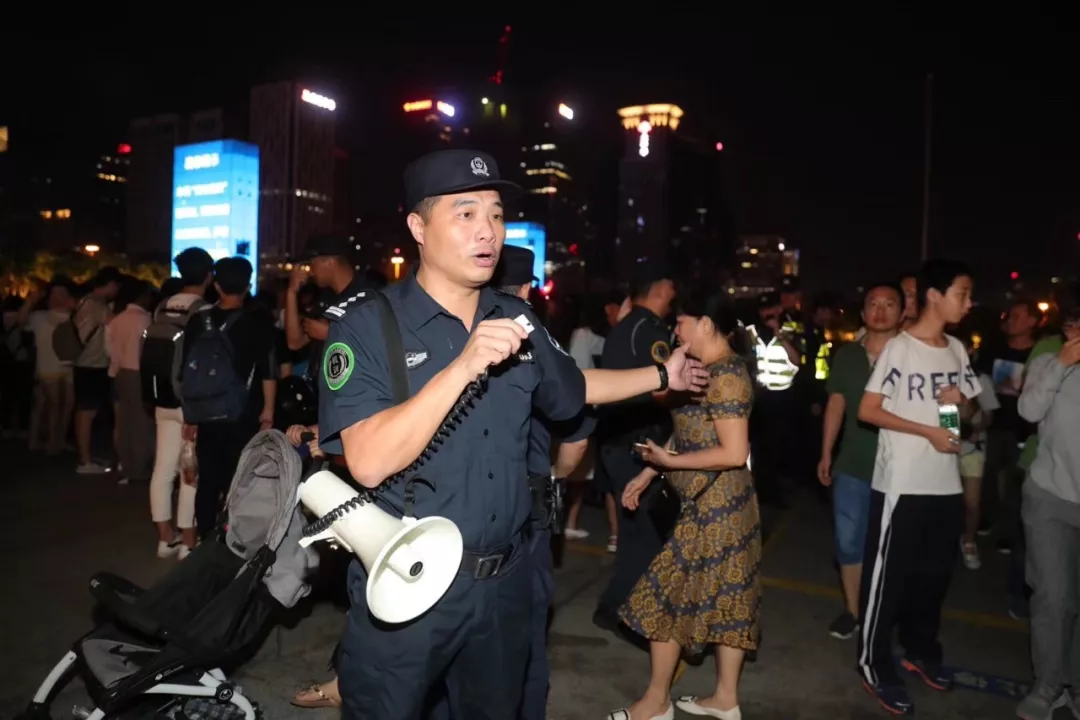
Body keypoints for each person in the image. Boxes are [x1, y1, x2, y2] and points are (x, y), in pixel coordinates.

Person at [318, 149, 586, 720]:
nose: (487, 231)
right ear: (418, 228)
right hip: (408, 586)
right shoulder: (366, 326)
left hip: (504, 585)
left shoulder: (516, 318)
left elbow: (570, 401)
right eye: (465, 214)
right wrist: (462, 367)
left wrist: (543, 335)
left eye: (496, 214)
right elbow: (367, 462)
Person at [613, 291, 759, 720]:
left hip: (716, 509)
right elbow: (696, 431)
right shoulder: (707, 370)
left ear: (706, 324)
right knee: (729, 599)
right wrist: (650, 471)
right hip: (717, 504)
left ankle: (655, 703)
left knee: (663, 599)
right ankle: (726, 699)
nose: (674, 330)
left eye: (681, 322)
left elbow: (734, 452)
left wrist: (668, 462)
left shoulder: (727, 375)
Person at [856, 259, 980, 715]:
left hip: (945, 484)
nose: (968, 303)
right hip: (902, 485)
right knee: (887, 582)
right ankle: (872, 663)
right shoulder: (900, 349)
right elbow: (868, 410)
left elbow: (967, 416)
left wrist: (960, 405)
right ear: (934, 295)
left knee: (932, 580)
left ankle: (920, 651)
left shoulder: (957, 349)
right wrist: (926, 432)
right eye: (962, 294)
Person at [593, 266, 678, 630]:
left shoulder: (625, 326)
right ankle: (627, 613)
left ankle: (617, 607)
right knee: (647, 536)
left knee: (635, 534)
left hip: (619, 442)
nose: (674, 296)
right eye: (670, 289)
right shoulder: (650, 330)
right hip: (637, 445)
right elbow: (663, 387)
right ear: (657, 291)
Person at [817, 281, 903, 640]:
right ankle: (853, 611)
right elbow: (836, 403)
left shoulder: (912, 355)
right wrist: (826, 452)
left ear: (903, 312)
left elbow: (942, 409)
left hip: (901, 468)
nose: (880, 311)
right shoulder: (848, 355)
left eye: (889, 304)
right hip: (852, 463)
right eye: (873, 304)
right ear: (864, 312)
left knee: (893, 546)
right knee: (848, 541)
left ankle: (884, 612)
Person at [181, 257, 277, 540]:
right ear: (248, 286)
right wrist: (268, 411)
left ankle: (205, 538)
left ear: (217, 286)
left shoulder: (198, 321)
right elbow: (269, 370)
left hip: (206, 412)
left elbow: (186, 371)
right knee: (239, 479)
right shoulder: (257, 321)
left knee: (208, 480)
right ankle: (233, 540)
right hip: (243, 412)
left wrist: (190, 417)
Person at [1015, 306, 1080, 720]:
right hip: (1049, 495)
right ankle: (1048, 685)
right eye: (1072, 325)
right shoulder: (1048, 361)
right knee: (1053, 597)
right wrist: (1060, 364)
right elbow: (1028, 410)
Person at [148, 247, 213, 558]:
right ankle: (188, 542)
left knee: (163, 469)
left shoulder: (162, 307)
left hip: (162, 397)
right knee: (190, 474)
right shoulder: (204, 310)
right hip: (190, 404)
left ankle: (165, 539)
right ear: (208, 275)